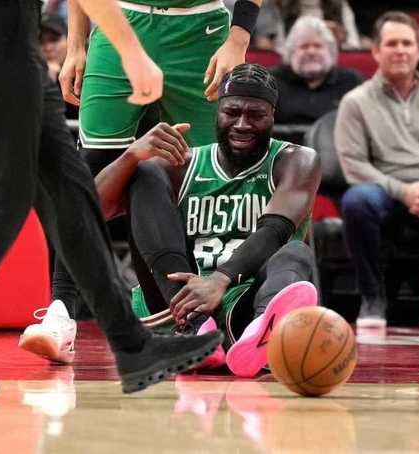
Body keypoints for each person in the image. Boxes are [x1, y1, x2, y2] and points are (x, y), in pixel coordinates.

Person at [0, 0, 223, 399]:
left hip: (12, 37)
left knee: (72, 198)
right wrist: (131, 52)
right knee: (0, 202)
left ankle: (133, 347)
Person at [20, 0, 266, 359]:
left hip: (200, 32)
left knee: (206, 177)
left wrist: (238, 39)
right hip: (119, 22)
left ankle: (211, 312)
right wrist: (76, 45)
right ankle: (61, 311)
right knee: (91, 170)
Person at [95, 63, 322, 377]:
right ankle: (194, 328)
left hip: (244, 300)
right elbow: (92, 211)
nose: (242, 124)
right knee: (144, 172)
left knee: (296, 252)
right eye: (232, 112)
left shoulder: (297, 160)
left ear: (273, 116)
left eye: (256, 115)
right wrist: (130, 156)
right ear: (217, 112)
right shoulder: (181, 164)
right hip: (176, 301)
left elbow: (275, 229)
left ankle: (263, 335)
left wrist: (219, 279)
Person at [334, 11, 419, 328]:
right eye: (392, 43)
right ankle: (372, 298)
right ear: (375, 50)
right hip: (386, 194)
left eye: (407, 43)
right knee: (357, 200)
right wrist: (404, 192)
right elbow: (354, 166)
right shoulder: (355, 102)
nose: (400, 50)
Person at [269, 16, 362, 126]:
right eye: (304, 46)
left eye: (318, 46)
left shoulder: (351, 81)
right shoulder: (271, 81)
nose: (311, 52)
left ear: (331, 52)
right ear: (290, 53)